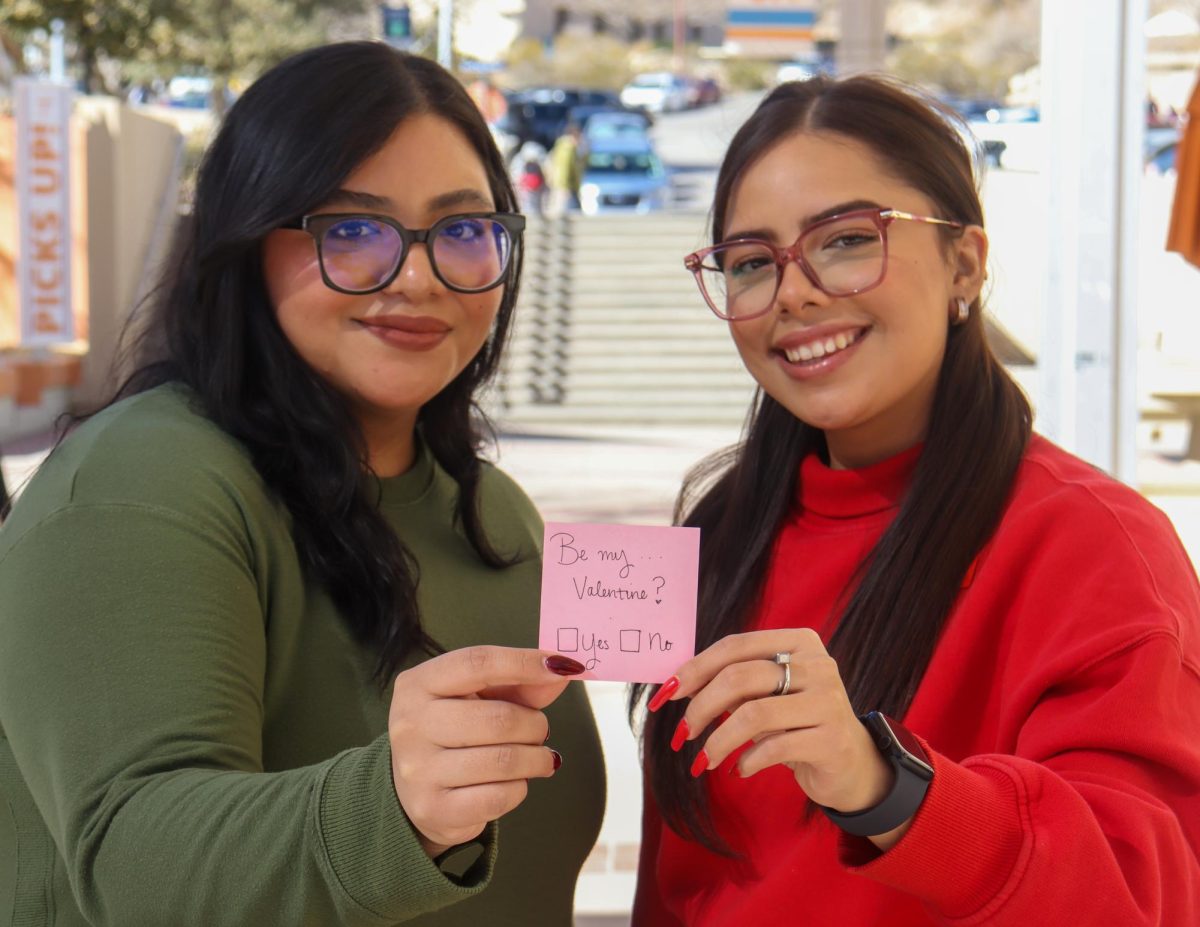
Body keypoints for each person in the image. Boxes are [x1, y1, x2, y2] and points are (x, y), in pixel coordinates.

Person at [0, 42, 605, 927]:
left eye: (463, 230)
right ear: (244, 246)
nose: (416, 275)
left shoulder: (496, 516)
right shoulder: (146, 483)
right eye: (351, 230)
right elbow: (135, 865)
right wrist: (394, 808)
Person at [632, 74, 1200, 925]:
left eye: (848, 239)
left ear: (964, 262)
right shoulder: (720, 532)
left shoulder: (1094, 544)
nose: (793, 292)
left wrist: (882, 783)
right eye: (751, 262)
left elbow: (1140, 892)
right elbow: (679, 888)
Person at [545, 122, 583, 217]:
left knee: (558, 210)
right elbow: (564, 168)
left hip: (560, 184)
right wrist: (565, 187)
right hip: (564, 186)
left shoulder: (561, 146)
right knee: (563, 212)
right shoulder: (568, 148)